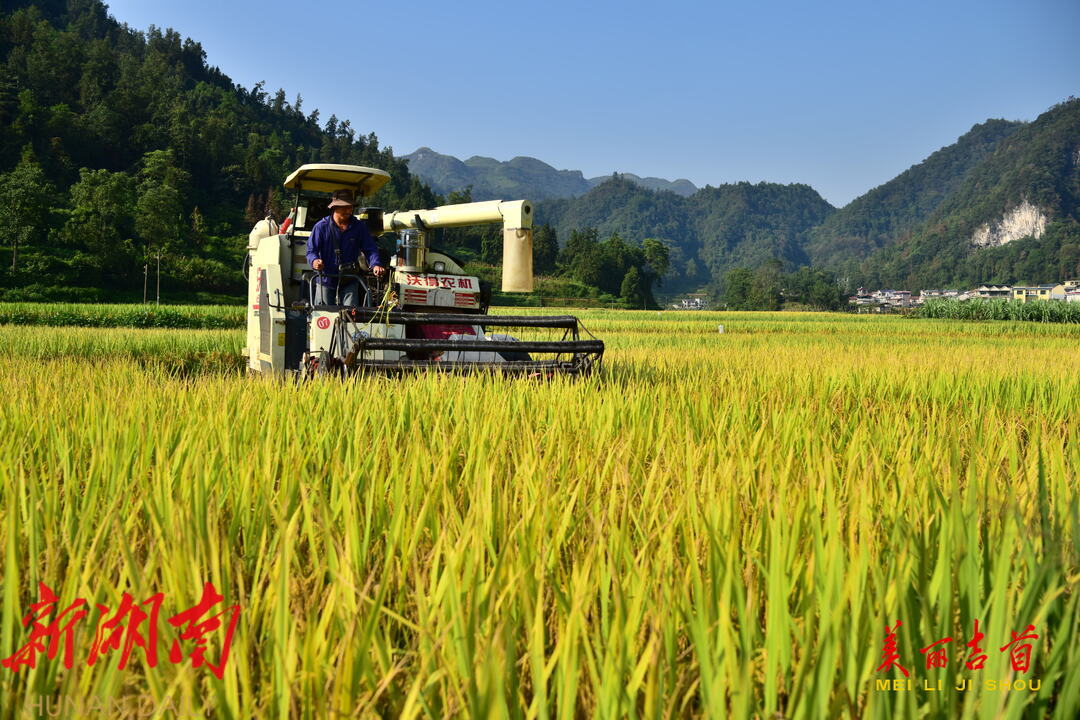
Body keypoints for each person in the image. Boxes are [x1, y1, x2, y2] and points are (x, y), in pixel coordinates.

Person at [306, 189, 388, 306]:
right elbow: (311, 251)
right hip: (326, 279)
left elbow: (370, 248)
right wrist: (314, 261)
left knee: (351, 314)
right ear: (335, 208)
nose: (349, 211)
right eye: (345, 207)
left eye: (350, 207)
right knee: (324, 313)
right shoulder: (321, 227)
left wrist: (376, 264)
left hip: (350, 279)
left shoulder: (359, 227)